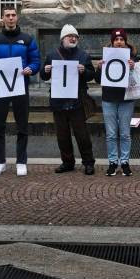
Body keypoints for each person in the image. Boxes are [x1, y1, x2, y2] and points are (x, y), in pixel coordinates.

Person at [0, 6, 41, 176]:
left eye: (13, 15)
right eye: (7, 15)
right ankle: (0, 162)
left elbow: (36, 60)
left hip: (20, 87)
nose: (11, 18)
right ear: (3, 18)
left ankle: (21, 161)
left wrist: (31, 68)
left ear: (17, 18)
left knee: (22, 126)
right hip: (0, 87)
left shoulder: (27, 39)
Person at [40, 24, 96, 175]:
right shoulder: (52, 55)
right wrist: (45, 71)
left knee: (82, 135)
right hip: (59, 102)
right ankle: (67, 162)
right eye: (69, 36)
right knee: (62, 136)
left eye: (75, 36)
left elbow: (92, 75)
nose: (72, 38)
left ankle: (88, 163)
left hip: (77, 101)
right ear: (62, 39)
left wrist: (85, 71)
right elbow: (43, 76)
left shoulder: (83, 55)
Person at [94, 28, 138, 176]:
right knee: (111, 134)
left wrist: (133, 68)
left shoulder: (133, 58)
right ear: (112, 42)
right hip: (109, 99)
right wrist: (99, 68)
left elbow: (137, 81)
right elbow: (98, 80)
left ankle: (125, 162)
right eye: (116, 40)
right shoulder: (106, 57)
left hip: (126, 99)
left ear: (125, 42)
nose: (119, 42)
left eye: (121, 40)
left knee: (125, 133)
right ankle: (113, 162)